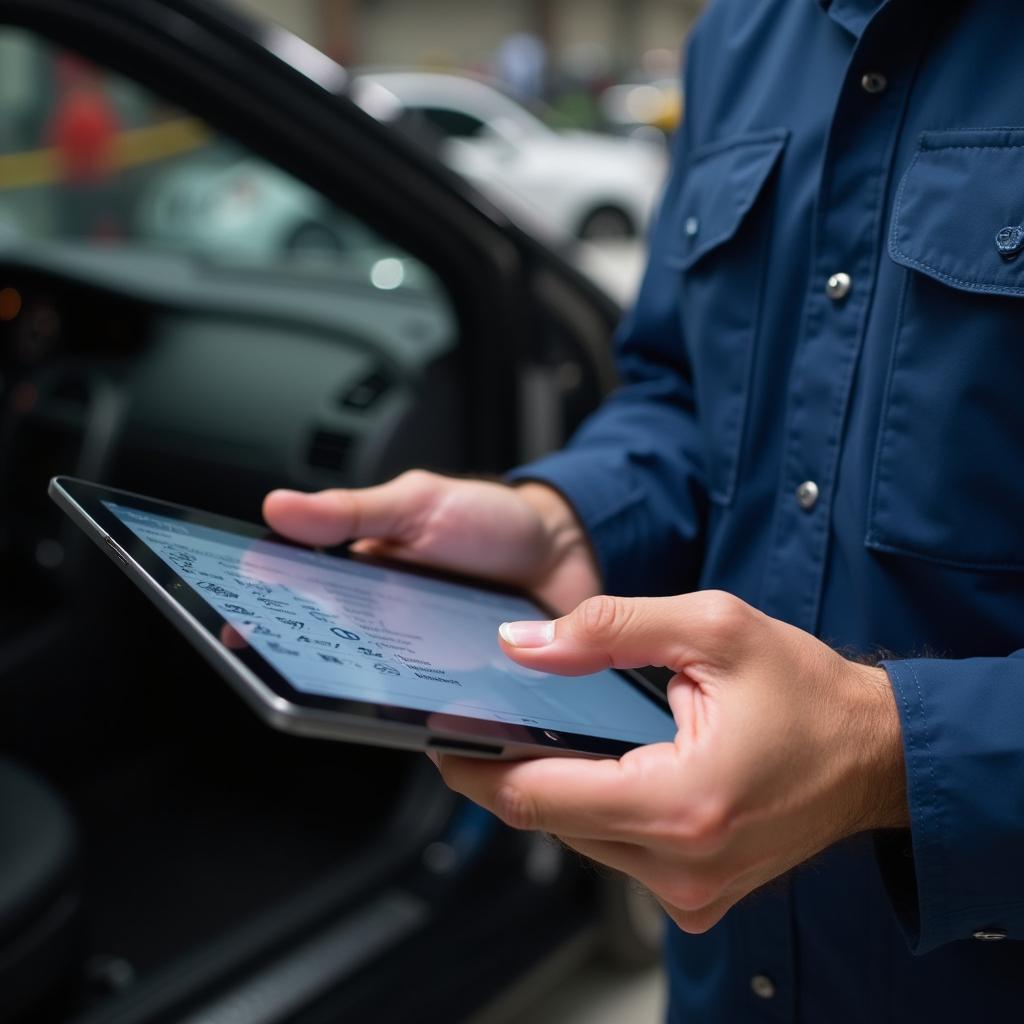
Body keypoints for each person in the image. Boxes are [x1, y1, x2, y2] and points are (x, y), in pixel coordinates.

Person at [263, 0, 1024, 1019]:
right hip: (732, 976)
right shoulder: (742, 39)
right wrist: (564, 516)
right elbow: (678, 390)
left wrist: (880, 753)